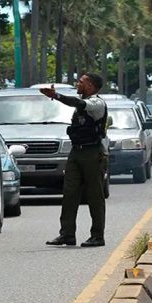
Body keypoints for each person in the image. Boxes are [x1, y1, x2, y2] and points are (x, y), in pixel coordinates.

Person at [40, 74, 108, 247]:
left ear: (91, 86)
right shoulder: (81, 104)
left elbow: (77, 103)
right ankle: (67, 234)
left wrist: (56, 96)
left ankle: (97, 236)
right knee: (69, 194)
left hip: (92, 153)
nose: (78, 84)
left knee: (95, 195)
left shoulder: (96, 103)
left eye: (81, 82)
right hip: (76, 152)